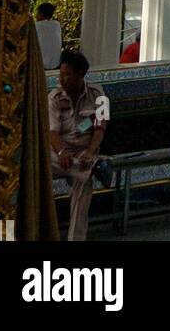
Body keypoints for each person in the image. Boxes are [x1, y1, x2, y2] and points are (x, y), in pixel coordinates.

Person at [48, 51, 113, 242]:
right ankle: (95, 167)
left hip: (85, 150)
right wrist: (61, 151)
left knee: (83, 184)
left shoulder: (99, 94)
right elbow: (51, 132)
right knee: (42, 161)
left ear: (81, 74)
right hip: (58, 152)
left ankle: (75, 239)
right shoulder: (54, 97)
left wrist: (91, 152)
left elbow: (100, 129)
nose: (62, 79)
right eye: (61, 74)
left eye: (67, 74)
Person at [35, 1, 62, 70]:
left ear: (40, 14)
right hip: (56, 64)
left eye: (37, 13)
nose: (36, 16)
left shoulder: (37, 26)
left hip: (40, 66)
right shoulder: (56, 25)